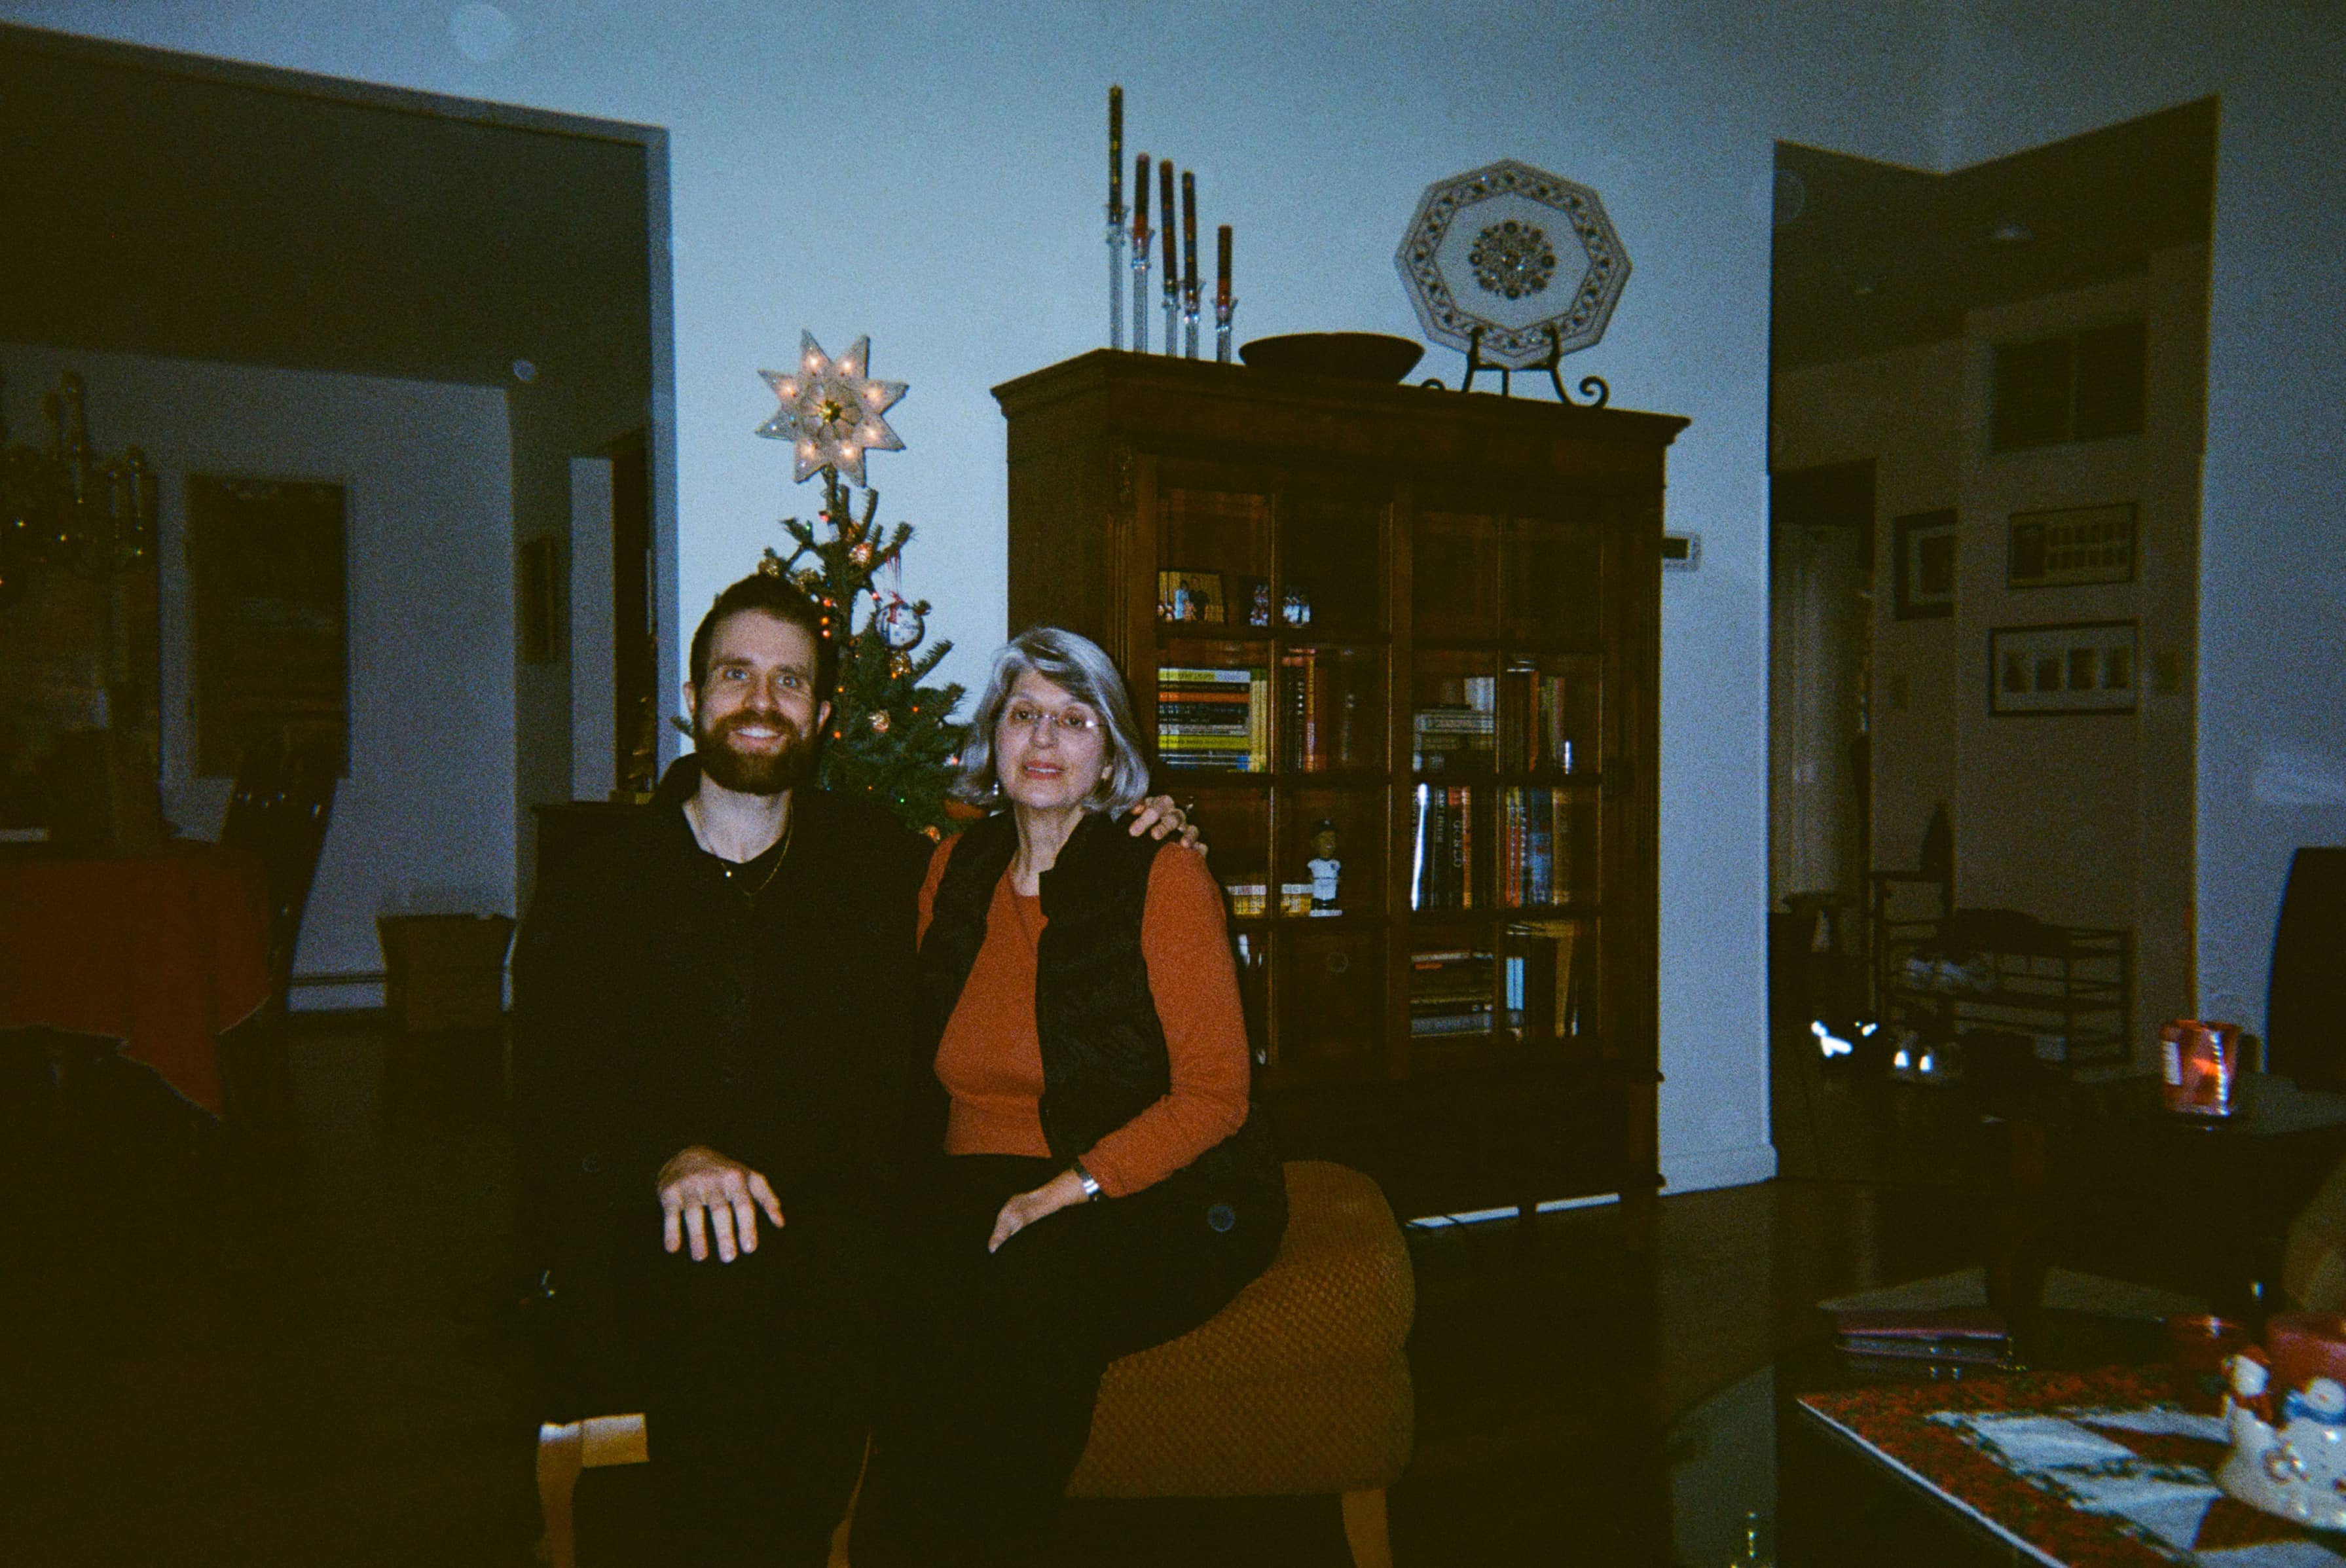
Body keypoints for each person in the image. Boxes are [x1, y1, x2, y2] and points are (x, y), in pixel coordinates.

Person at [511, 574, 1191, 1568]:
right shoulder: (597, 884)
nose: (759, 701)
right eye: (736, 674)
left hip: (835, 1215)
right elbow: (552, 1087)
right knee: (721, 1300)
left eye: (789, 682)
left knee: (871, 1310)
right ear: (695, 697)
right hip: (652, 1213)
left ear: (823, 716)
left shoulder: (880, 865)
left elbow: (1029, 879)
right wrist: (671, 1155)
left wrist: (1149, 829)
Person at [852, 626, 1286, 1568]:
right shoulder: (952, 872)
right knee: (917, 1311)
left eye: (1075, 720)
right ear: (993, 741)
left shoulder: (1159, 872)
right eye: (1024, 716)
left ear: (1110, 758)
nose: (1044, 740)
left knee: (1023, 1308)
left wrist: (1071, 1187)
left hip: (1145, 1185)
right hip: (978, 1175)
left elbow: (1217, 1095)